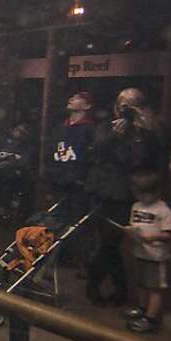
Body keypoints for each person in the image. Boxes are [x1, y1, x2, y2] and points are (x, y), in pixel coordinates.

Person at [84, 87, 167, 307]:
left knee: (111, 243)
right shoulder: (107, 126)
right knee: (107, 242)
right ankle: (109, 287)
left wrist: (144, 129)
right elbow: (96, 150)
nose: (125, 109)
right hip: (102, 191)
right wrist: (114, 136)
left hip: (128, 194)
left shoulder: (146, 131)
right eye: (122, 104)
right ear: (115, 106)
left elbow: (152, 157)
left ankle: (102, 286)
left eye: (131, 105)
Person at [43, 91, 98, 264]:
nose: (71, 99)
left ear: (87, 105)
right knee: (57, 219)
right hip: (59, 181)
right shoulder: (62, 127)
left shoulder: (90, 129)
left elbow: (90, 157)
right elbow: (52, 152)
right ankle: (59, 256)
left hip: (77, 184)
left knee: (77, 221)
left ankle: (79, 259)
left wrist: (81, 178)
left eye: (76, 98)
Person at [122, 169, 171, 333]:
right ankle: (141, 308)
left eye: (145, 194)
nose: (141, 198)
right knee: (141, 283)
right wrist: (130, 232)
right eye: (138, 194)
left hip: (156, 255)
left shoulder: (164, 210)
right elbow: (134, 226)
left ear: (156, 192)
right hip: (139, 251)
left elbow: (169, 234)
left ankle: (150, 318)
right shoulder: (136, 206)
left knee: (154, 287)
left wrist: (152, 237)